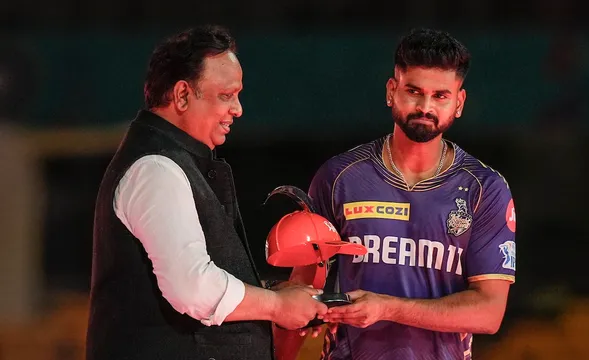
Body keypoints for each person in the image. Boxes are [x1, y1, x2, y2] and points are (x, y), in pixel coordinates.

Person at [86, 25, 327, 360]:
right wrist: (277, 306)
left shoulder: (169, 163)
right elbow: (192, 287)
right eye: (226, 95)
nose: (238, 109)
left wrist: (272, 296)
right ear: (182, 95)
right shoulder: (155, 169)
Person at [305, 28, 517, 359]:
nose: (425, 106)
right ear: (392, 91)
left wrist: (387, 308)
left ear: (459, 102)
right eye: (414, 91)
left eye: (441, 96)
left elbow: (489, 313)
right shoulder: (338, 177)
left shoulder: (484, 189)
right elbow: (304, 287)